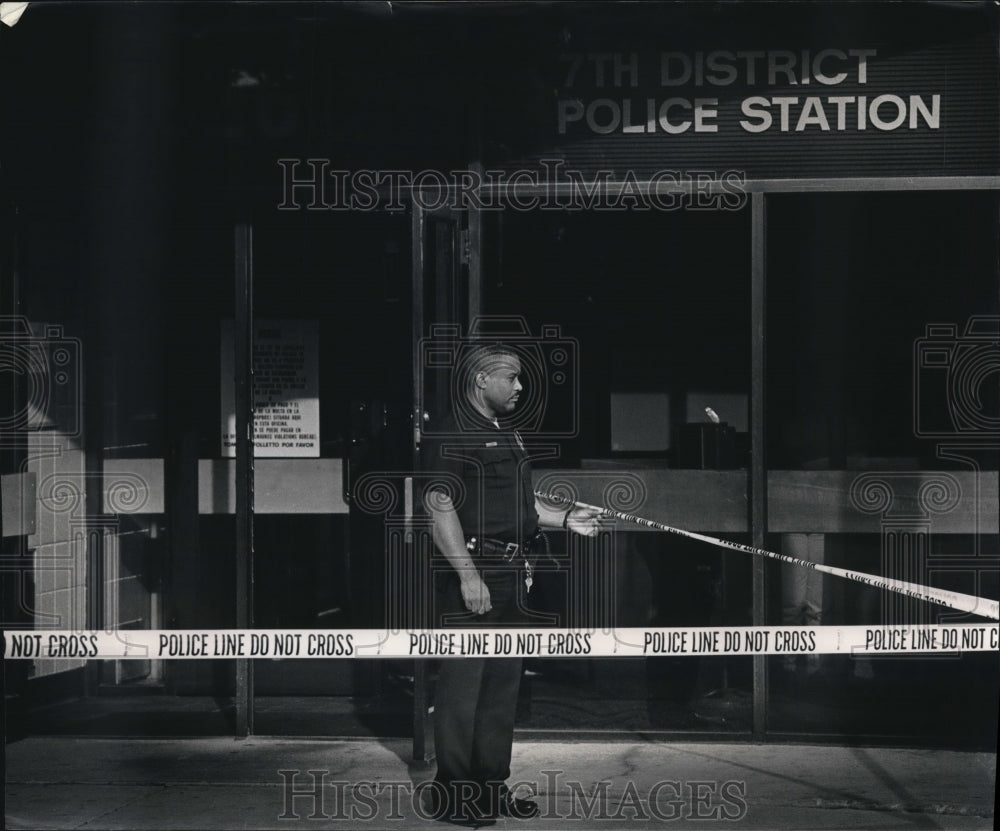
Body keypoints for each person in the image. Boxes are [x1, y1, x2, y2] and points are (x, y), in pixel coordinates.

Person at [421, 342, 601, 826]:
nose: (520, 387)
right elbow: (439, 506)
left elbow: (520, 504)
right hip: (477, 572)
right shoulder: (451, 431)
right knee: (463, 688)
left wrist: (566, 518)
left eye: (520, 379)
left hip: (513, 573)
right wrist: (467, 575)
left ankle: (487, 786)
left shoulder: (506, 430)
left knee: (502, 687)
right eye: (512, 378)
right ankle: (454, 793)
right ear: (482, 379)